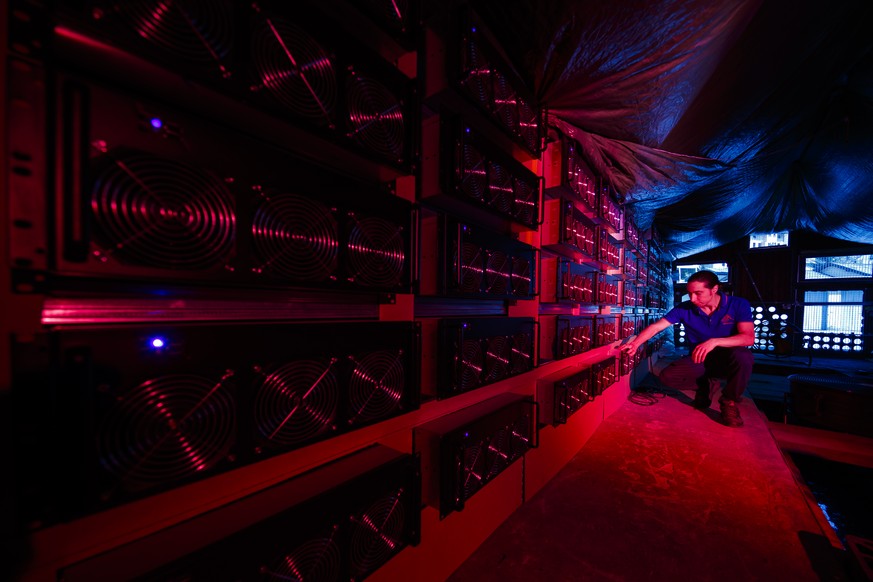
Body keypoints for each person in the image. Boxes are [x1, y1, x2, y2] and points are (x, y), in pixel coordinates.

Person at [619, 270, 755, 427]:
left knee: (744, 357)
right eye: (689, 293)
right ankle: (706, 385)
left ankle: (729, 401)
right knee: (667, 377)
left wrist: (714, 341)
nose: (692, 299)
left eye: (698, 293)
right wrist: (636, 343)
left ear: (714, 289)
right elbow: (657, 327)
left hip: (728, 359)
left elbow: (748, 338)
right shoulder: (685, 308)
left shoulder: (738, 304)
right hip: (700, 359)